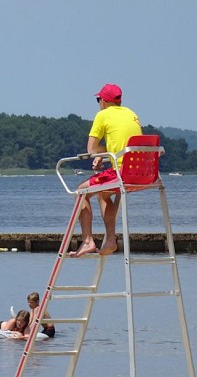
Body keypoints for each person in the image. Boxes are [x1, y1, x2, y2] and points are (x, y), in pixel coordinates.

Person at [70, 83, 143, 258]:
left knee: (81, 192)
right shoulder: (131, 113)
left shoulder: (102, 115)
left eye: (98, 100)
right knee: (103, 194)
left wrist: (97, 154)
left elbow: (90, 149)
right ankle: (110, 239)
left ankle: (88, 241)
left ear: (103, 101)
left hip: (122, 172)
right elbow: (121, 145)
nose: (98, 103)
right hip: (142, 173)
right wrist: (103, 156)